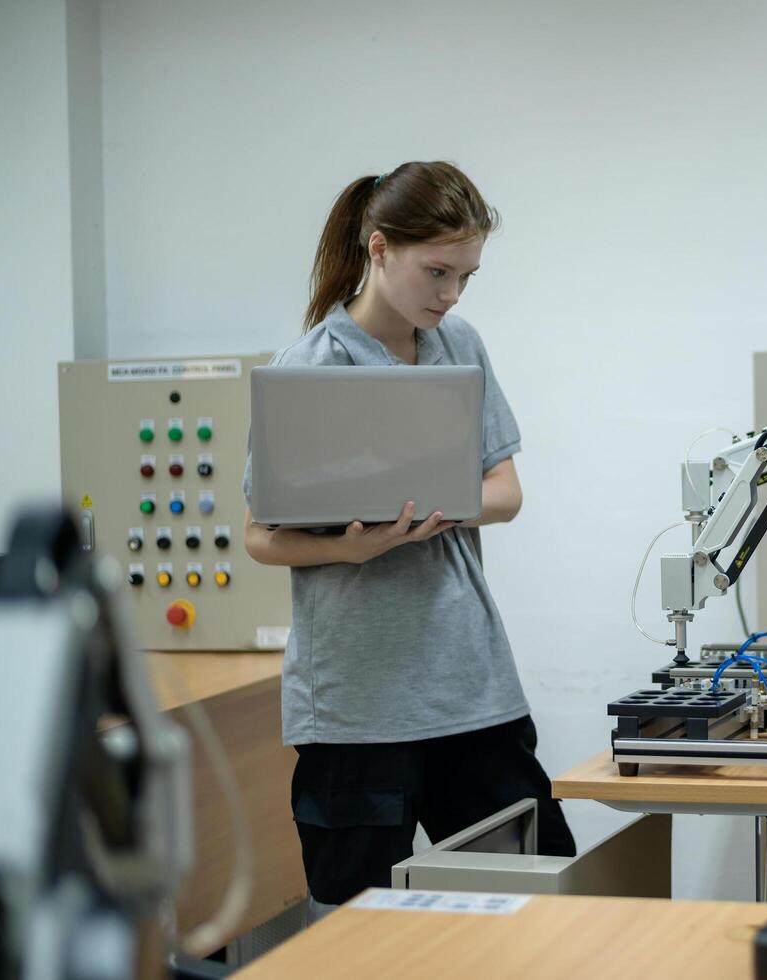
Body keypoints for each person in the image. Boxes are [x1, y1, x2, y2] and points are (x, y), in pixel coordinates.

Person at [242, 161, 575, 919]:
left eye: (465, 276)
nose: (451, 294)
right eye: (436, 272)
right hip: (356, 712)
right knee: (359, 937)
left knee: (542, 908)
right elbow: (262, 537)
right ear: (379, 248)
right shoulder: (306, 370)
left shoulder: (460, 345)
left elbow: (505, 493)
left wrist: (431, 508)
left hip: (471, 690)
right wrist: (351, 549)